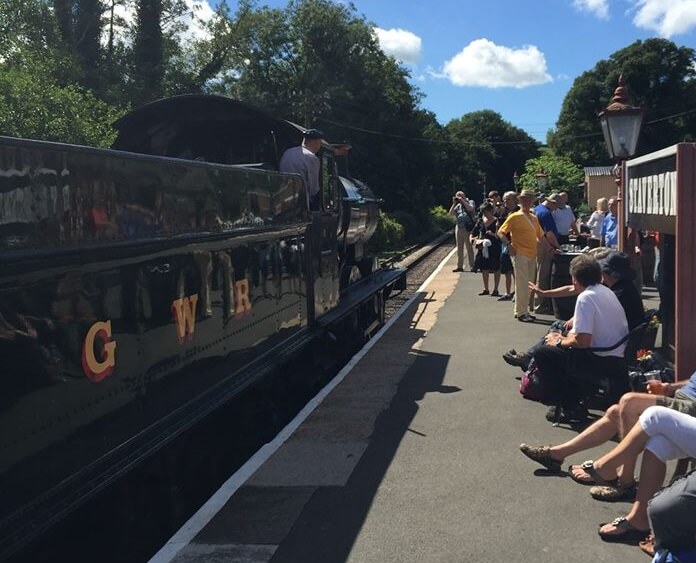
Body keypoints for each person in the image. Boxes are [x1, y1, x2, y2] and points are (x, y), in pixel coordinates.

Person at [519, 370, 696, 502]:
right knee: (615, 412)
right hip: (683, 398)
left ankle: (624, 482)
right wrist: (669, 386)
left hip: (691, 406)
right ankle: (556, 455)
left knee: (630, 402)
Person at [503, 250, 644, 370]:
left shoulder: (615, 293)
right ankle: (529, 358)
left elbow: (584, 340)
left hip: (605, 352)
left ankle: (535, 366)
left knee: (547, 345)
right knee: (558, 329)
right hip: (615, 345)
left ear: (610, 273)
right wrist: (545, 293)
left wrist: (559, 340)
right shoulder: (610, 289)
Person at [530, 254, 629, 418]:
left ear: (575, 279)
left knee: (544, 353)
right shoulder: (605, 290)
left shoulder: (585, 298)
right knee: (558, 344)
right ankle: (578, 395)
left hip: (601, 358)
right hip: (616, 354)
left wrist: (559, 341)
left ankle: (571, 405)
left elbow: (582, 341)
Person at [497, 189, 544, 322]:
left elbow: (540, 235)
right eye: (524, 200)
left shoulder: (534, 218)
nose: (527, 202)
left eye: (529, 200)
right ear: (520, 201)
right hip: (520, 253)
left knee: (529, 284)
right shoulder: (515, 216)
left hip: (532, 253)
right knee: (522, 283)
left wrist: (550, 248)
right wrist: (509, 245)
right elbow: (501, 232)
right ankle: (521, 312)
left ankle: (524, 310)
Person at [279, 128, 324, 210]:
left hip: (283, 197)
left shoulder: (288, 152)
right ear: (314, 142)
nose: (319, 146)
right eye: (319, 142)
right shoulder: (312, 158)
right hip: (301, 201)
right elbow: (313, 189)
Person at [532, 192, 562, 314]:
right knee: (542, 276)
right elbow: (549, 233)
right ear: (551, 202)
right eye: (556, 206)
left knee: (535, 273)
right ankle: (540, 305)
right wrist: (556, 246)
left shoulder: (537, 209)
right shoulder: (546, 213)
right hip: (545, 246)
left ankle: (532, 303)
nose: (556, 209)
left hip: (536, 243)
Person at [470, 202, 501, 295]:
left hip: (494, 246)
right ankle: (486, 288)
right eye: (483, 212)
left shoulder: (497, 221)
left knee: (496, 268)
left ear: (491, 211)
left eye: (486, 211)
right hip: (483, 247)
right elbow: (473, 232)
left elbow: (500, 235)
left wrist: (493, 234)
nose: (484, 214)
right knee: (484, 267)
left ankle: (496, 289)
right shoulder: (480, 221)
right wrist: (471, 238)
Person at [496, 191, 518, 301]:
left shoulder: (519, 212)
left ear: (515, 199)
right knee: (506, 270)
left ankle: (516, 292)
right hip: (505, 244)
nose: (505, 202)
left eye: (508, 200)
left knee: (516, 270)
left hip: (516, 244)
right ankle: (508, 292)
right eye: (504, 200)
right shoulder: (504, 212)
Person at [449, 190, 476, 272]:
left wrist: (463, 201)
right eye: (457, 196)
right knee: (459, 248)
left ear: (464, 196)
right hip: (459, 227)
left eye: (460, 196)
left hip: (467, 227)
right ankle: (459, 266)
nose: (459, 198)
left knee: (469, 247)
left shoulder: (470, 202)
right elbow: (450, 214)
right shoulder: (457, 205)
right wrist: (454, 203)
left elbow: (471, 209)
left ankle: (472, 266)